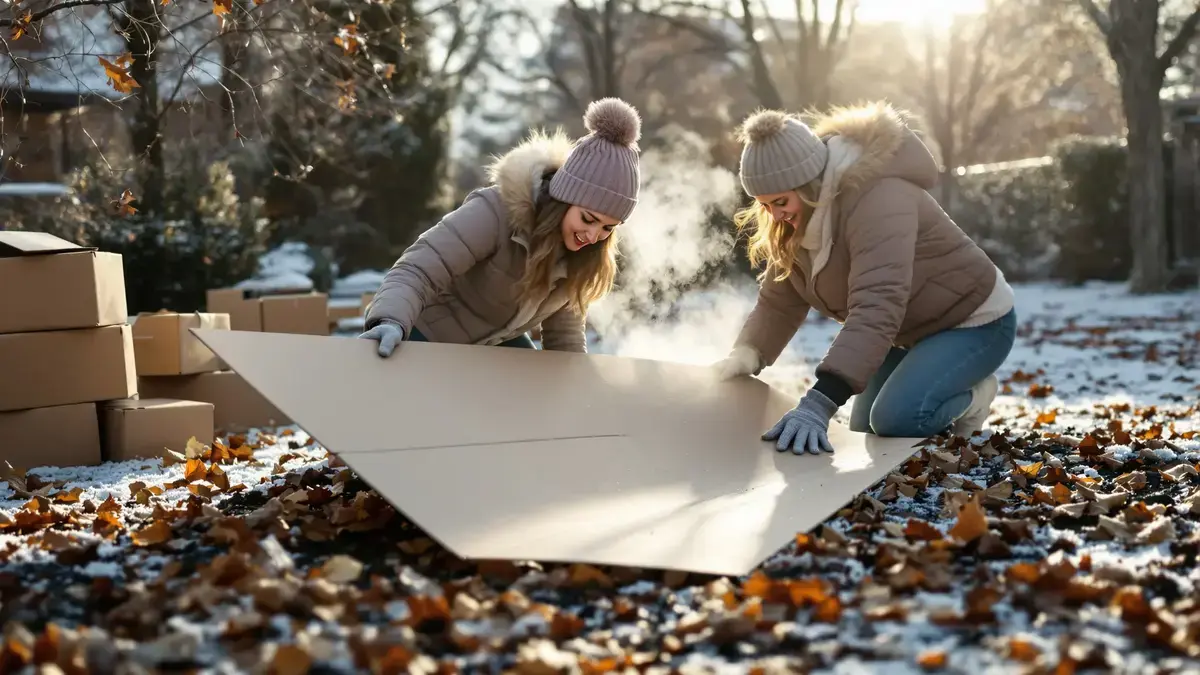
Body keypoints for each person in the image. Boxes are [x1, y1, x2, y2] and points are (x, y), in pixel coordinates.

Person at [714, 102, 1017, 455]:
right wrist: (748, 353)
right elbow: (780, 302)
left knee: (896, 420)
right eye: (764, 205)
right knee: (864, 431)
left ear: (809, 184)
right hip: (909, 329)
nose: (775, 216)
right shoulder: (797, 221)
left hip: (973, 321)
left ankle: (975, 397)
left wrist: (820, 402)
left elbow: (877, 302)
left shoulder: (879, 198)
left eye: (780, 201)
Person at [359, 98, 643, 356]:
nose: (594, 236)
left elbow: (563, 336)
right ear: (564, 199)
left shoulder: (580, 253)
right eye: (589, 219)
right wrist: (391, 320)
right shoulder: (495, 212)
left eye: (608, 228)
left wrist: (577, 396)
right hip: (426, 333)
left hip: (492, 343)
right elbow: (419, 268)